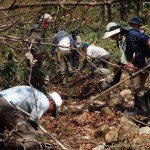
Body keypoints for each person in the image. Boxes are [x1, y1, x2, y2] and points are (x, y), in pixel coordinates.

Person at [103, 22, 150, 91]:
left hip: (146, 59)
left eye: (112, 36)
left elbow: (148, 41)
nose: (112, 38)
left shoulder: (132, 34)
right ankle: (142, 92)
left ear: (116, 33)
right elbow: (128, 54)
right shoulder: (121, 40)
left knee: (139, 81)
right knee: (139, 81)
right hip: (139, 62)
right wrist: (129, 63)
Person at [25, 13, 53, 89]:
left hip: (36, 57)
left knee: (39, 75)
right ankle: (38, 91)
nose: (48, 26)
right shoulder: (37, 29)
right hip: (34, 57)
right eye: (48, 24)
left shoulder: (39, 29)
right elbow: (32, 42)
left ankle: (38, 89)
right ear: (44, 22)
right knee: (41, 75)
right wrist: (39, 53)